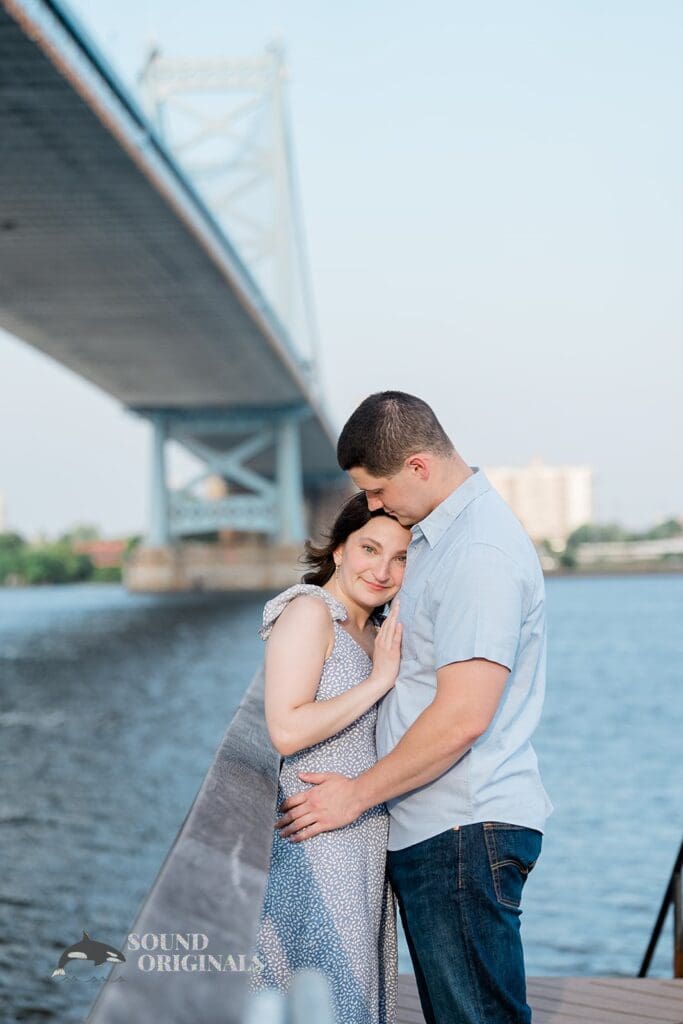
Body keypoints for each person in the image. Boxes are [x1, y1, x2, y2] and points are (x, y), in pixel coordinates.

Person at [275, 391, 554, 1024]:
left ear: (418, 467)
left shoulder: (478, 553)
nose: (373, 506)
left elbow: (463, 716)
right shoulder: (438, 541)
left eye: (376, 490)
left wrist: (354, 795)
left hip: (461, 830)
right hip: (439, 830)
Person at [249, 491, 412, 1024]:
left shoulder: (373, 629)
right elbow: (286, 729)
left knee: (353, 995)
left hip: (363, 836)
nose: (382, 571)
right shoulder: (309, 612)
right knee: (330, 995)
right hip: (319, 842)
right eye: (370, 549)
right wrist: (379, 682)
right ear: (339, 549)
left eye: (400, 558)